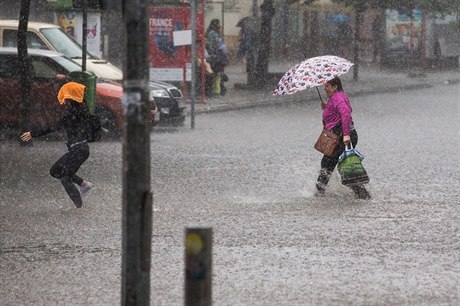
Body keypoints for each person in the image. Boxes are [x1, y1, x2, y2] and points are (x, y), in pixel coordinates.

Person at [20, 82, 93, 208]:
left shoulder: (72, 113)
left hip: (79, 150)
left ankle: (79, 207)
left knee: (65, 176)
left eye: (65, 97)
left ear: (70, 98)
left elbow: (53, 127)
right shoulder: (81, 109)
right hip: (78, 150)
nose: (62, 101)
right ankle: (83, 184)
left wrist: (34, 133)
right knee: (55, 171)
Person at [315, 77, 371, 199]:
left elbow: (346, 113)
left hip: (342, 136)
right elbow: (340, 113)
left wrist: (346, 135)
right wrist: (327, 108)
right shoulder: (337, 97)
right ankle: (361, 194)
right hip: (341, 135)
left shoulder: (338, 98)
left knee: (331, 163)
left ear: (335, 86)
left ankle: (319, 193)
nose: (324, 88)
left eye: (327, 85)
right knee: (338, 164)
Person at [205, 19, 228, 97]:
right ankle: (216, 91)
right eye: (218, 24)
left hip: (212, 56)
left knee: (214, 74)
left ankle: (215, 90)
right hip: (215, 56)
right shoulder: (214, 34)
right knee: (217, 75)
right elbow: (216, 46)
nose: (219, 26)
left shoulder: (209, 32)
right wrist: (215, 53)